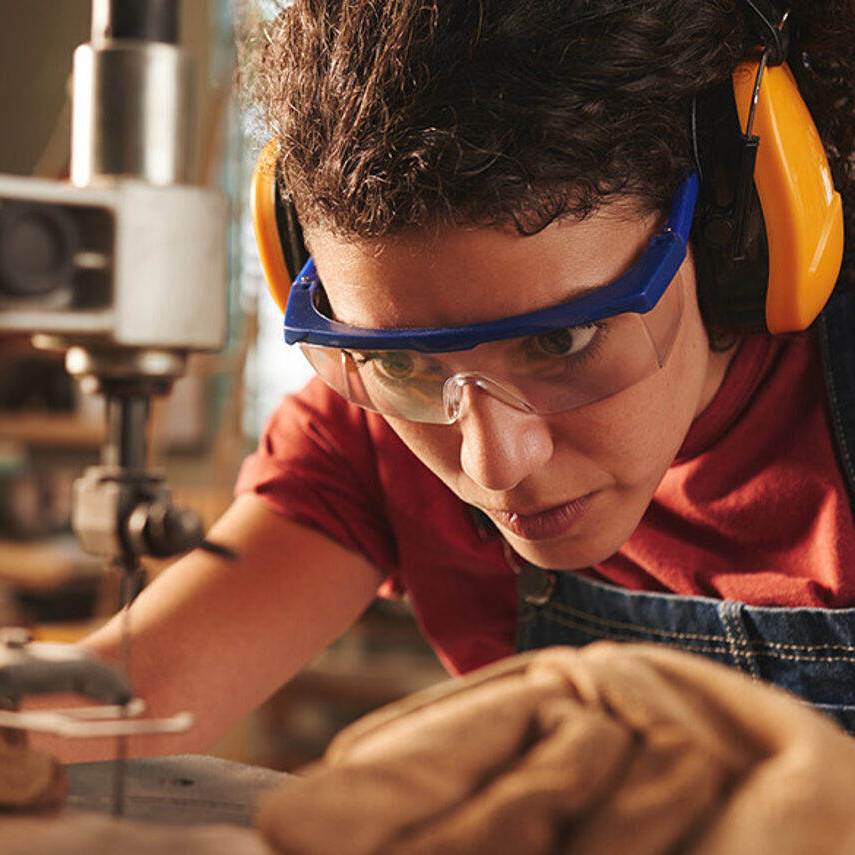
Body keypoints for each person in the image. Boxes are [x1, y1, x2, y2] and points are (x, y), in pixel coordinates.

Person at [61, 0, 855, 760]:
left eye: (560, 340)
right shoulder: (371, 423)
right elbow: (112, 704)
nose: (490, 462)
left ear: (736, 232)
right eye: (405, 359)